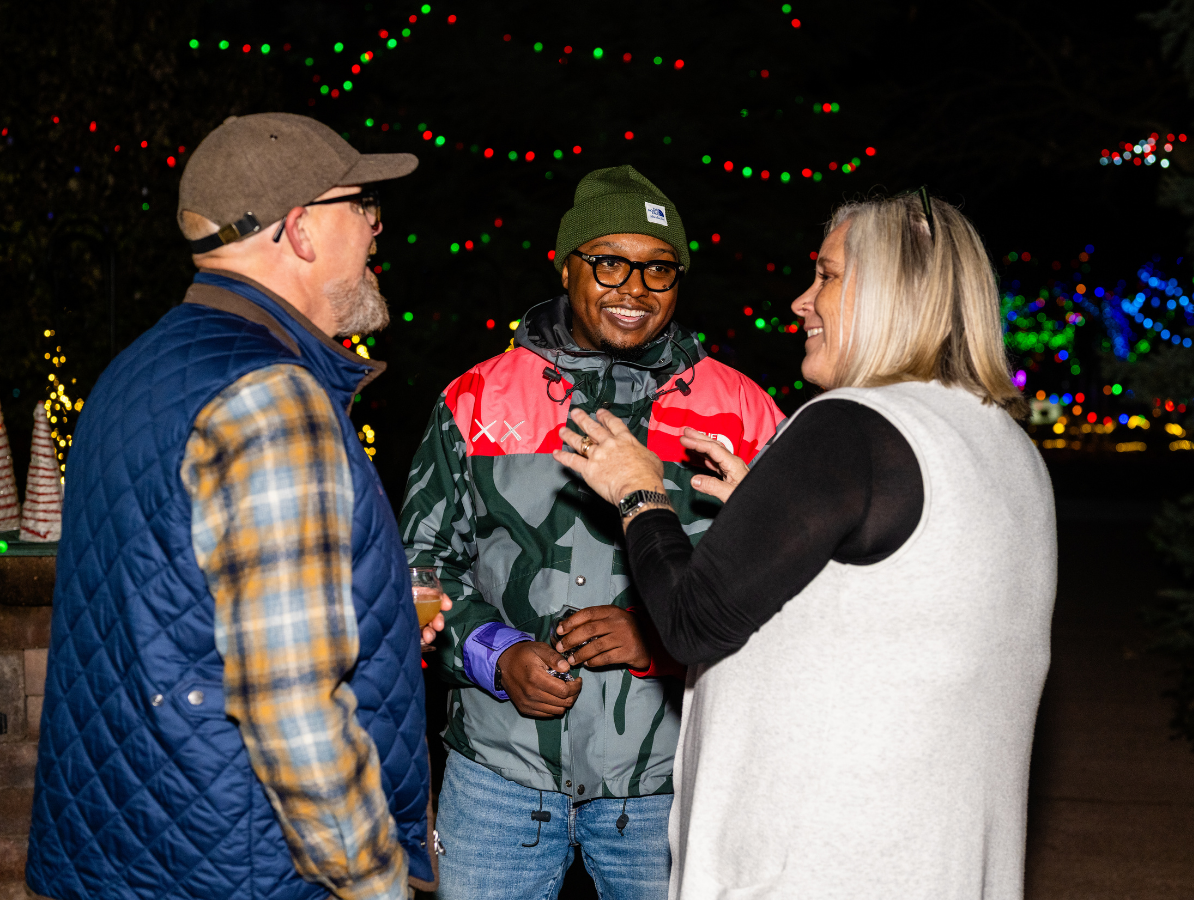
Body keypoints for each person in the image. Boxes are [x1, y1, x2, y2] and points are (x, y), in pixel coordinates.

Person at [553, 193, 1057, 899]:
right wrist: (768, 509)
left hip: (822, 860)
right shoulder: (999, 442)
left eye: (827, 276)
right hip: (937, 861)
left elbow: (689, 621)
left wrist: (640, 494)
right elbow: (902, 594)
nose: (801, 301)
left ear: (891, 293)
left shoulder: (850, 427)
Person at [25, 113, 448, 900]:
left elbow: (169, 605)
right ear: (301, 229)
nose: (377, 233)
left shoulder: (136, 369)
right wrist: (376, 879)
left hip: (125, 856)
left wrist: (375, 602)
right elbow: (292, 707)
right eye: (365, 208)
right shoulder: (271, 399)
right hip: (246, 866)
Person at [399, 165, 783, 899]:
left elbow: (783, 594)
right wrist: (495, 654)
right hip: (498, 776)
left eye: (659, 269)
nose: (634, 290)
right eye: (610, 263)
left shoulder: (739, 411)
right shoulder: (479, 399)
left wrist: (669, 637)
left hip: (666, 783)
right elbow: (419, 572)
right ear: (566, 264)